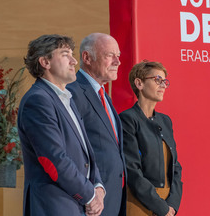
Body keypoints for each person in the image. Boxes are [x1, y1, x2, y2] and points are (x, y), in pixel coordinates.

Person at [18, 34, 105, 216]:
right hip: (54, 206)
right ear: (45, 62)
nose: (74, 61)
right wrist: (89, 195)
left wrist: (98, 186)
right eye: (65, 54)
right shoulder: (38, 100)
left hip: (76, 206)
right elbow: (53, 159)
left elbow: (86, 153)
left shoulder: (67, 99)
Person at [67, 33, 127, 216]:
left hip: (113, 197)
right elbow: (72, 150)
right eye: (110, 55)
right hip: (90, 201)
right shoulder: (72, 92)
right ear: (87, 58)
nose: (118, 62)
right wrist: (89, 193)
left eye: (118, 55)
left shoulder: (103, 95)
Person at [119, 61, 183, 216]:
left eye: (165, 81)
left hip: (167, 204)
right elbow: (132, 170)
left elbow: (175, 167)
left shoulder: (165, 121)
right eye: (157, 80)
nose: (163, 85)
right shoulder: (128, 118)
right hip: (138, 202)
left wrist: (172, 206)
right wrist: (160, 207)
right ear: (139, 83)